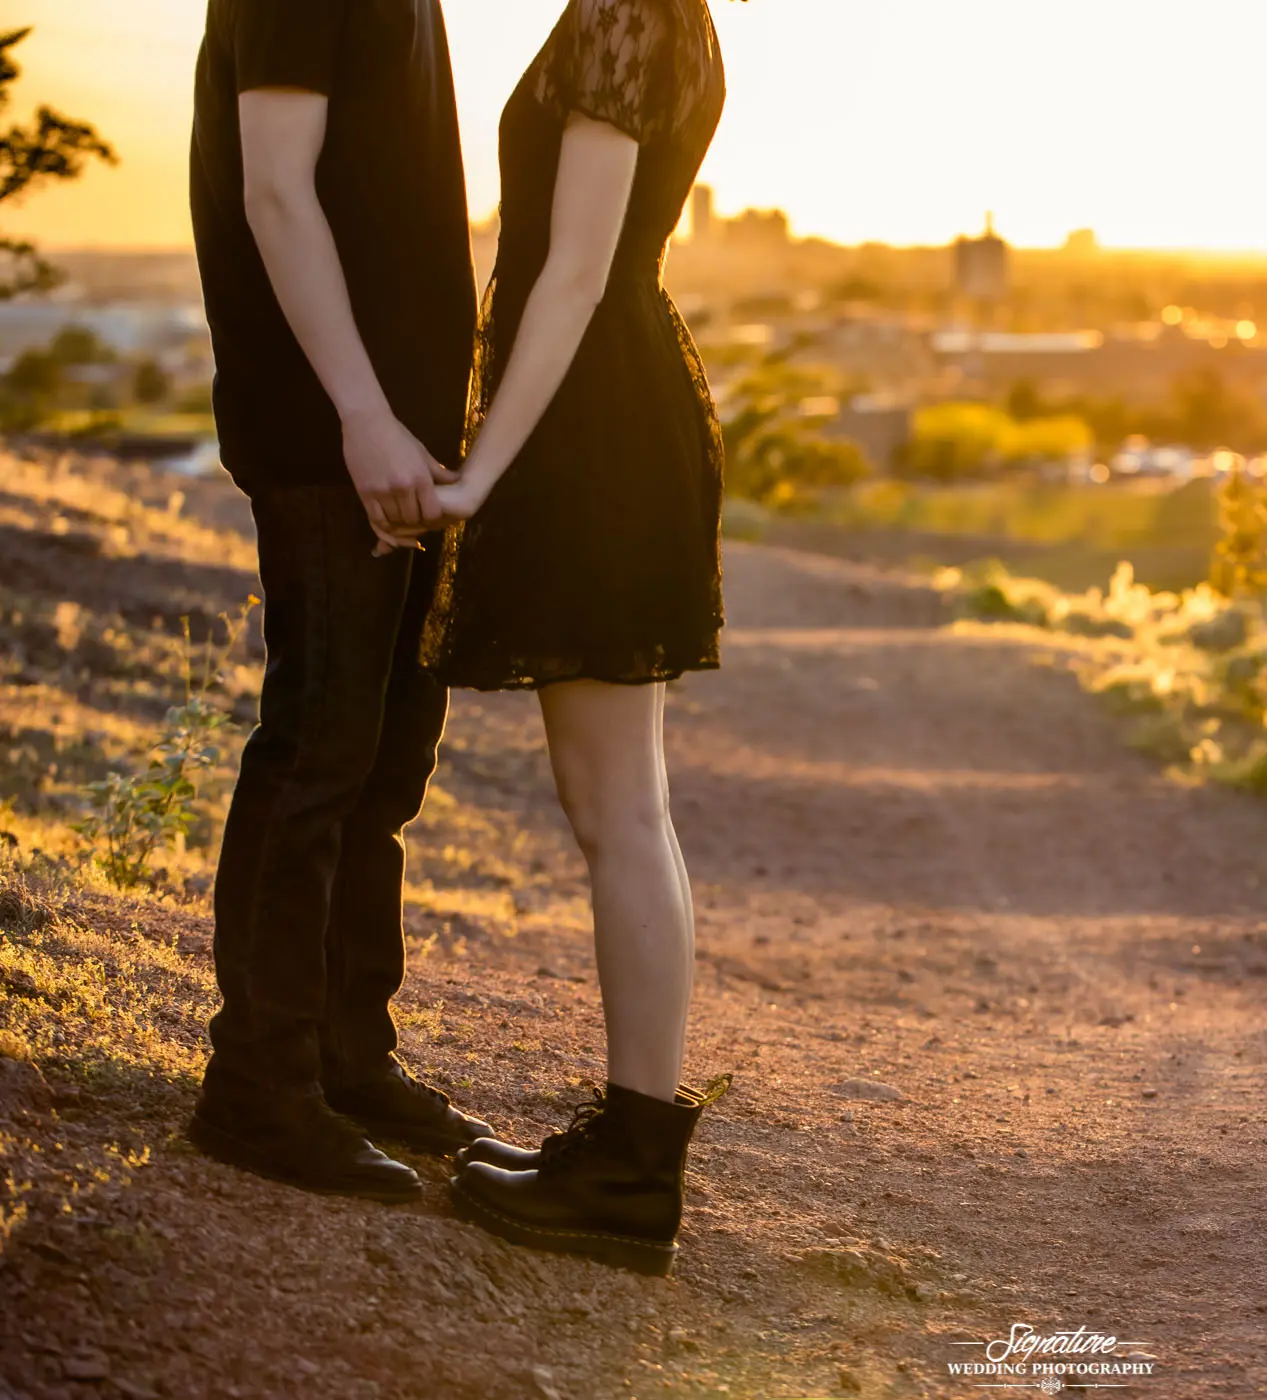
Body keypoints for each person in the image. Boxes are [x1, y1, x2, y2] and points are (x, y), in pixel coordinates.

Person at [414, 0, 733, 1276]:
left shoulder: (629, 11)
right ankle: (630, 1145)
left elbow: (578, 263)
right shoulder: (672, 13)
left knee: (619, 813)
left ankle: (632, 1173)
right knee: (623, 808)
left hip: (598, 428)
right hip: (611, 410)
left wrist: (483, 469)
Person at [186, 0, 492, 1202]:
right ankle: (256, 1086)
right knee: (318, 750)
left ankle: (344, 1055)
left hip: (402, 433)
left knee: (386, 761)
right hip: (334, 432)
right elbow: (275, 191)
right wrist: (363, 413)